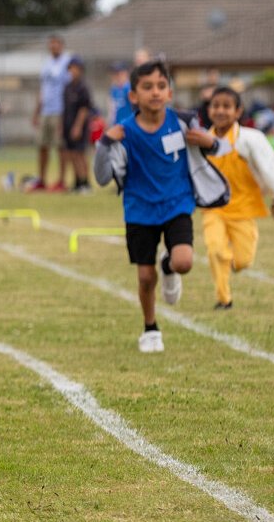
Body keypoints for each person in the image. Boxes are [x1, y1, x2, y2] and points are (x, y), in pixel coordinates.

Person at [98, 60, 217, 353]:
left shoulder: (184, 122)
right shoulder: (123, 132)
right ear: (133, 95)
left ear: (170, 93)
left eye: (161, 86)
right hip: (139, 209)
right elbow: (101, 178)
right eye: (147, 87)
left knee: (183, 262)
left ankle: (168, 265)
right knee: (144, 276)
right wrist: (104, 144)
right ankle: (150, 328)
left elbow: (217, 149)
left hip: (177, 203)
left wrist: (210, 142)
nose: (155, 92)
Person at [201, 87, 274, 310]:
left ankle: (232, 263)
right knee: (215, 250)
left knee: (243, 260)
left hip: (244, 208)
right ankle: (224, 299)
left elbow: (268, 168)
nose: (220, 111)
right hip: (214, 209)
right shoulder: (202, 140)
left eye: (227, 106)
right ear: (209, 110)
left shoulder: (250, 139)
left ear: (238, 111)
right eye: (216, 106)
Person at [30, 34, 71, 191]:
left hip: (59, 111)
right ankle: (41, 180)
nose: (53, 46)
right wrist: (36, 112)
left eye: (56, 44)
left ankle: (62, 180)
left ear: (62, 45)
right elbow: (43, 89)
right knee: (42, 145)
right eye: (51, 44)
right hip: (45, 111)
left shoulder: (67, 62)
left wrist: (66, 114)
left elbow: (68, 89)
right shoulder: (46, 63)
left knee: (60, 146)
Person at [62, 56, 95, 194]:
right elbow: (64, 108)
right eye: (71, 68)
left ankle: (85, 182)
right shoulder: (68, 87)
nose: (73, 71)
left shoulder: (83, 88)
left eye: (75, 68)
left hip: (79, 127)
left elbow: (84, 109)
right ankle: (77, 182)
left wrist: (78, 126)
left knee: (80, 154)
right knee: (72, 154)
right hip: (68, 125)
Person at [108, 61, 134, 126]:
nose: (116, 76)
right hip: (117, 124)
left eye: (119, 73)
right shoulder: (114, 89)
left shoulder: (128, 88)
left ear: (126, 73)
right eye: (114, 74)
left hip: (128, 124)